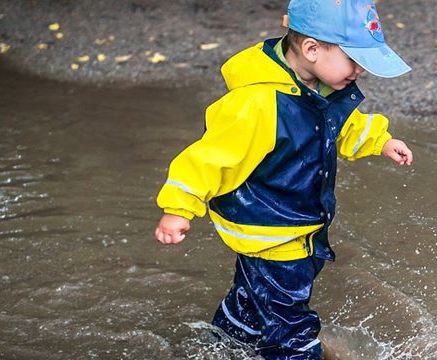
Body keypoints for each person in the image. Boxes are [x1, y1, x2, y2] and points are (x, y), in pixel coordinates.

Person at [152, 0, 412, 358]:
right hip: (273, 231)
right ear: (311, 48)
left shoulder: (319, 89)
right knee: (293, 326)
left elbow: (341, 125)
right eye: (354, 59)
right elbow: (209, 157)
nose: (360, 70)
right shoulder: (258, 103)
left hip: (289, 226)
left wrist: (381, 141)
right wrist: (178, 208)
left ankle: (222, 342)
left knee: (252, 297)